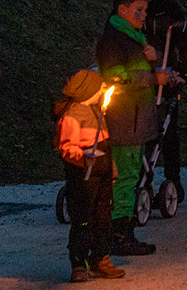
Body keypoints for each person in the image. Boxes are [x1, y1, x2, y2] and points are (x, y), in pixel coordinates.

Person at [96, 0, 167, 256]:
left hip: (136, 118)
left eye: (145, 11)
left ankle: (122, 232)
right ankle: (118, 235)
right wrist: (152, 78)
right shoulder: (113, 42)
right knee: (124, 177)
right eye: (139, 10)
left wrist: (155, 59)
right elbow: (116, 78)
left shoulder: (136, 39)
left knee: (131, 174)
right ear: (122, 10)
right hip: (123, 118)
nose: (143, 15)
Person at [127, 0, 187, 202]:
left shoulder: (168, 8)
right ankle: (142, 178)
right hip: (140, 77)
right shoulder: (126, 9)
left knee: (169, 132)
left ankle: (174, 179)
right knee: (140, 130)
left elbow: (186, 43)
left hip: (167, 77)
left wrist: (181, 72)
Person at [53, 70, 124, 283]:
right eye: (100, 88)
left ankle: (101, 258)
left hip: (101, 176)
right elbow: (66, 147)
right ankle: (79, 263)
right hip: (83, 178)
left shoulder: (97, 113)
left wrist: (110, 167)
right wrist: (83, 159)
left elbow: (106, 144)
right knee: (83, 220)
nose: (104, 91)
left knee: (103, 218)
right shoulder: (72, 117)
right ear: (88, 91)